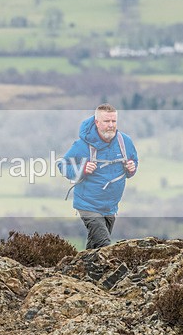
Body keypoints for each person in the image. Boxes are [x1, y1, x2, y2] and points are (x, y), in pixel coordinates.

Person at [58, 103, 138, 250]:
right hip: (88, 205)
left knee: (95, 249)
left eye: (113, 121)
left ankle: (82, 265)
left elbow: (133, 162)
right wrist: (83, 168)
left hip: (110, 207)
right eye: (107, 121)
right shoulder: (82, 145)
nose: (111, 125)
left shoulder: (125, 142)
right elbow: (62, 165)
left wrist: (132, 168)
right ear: (97, 122)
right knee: (105, 245)